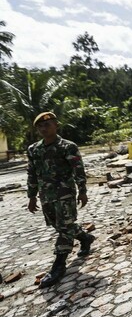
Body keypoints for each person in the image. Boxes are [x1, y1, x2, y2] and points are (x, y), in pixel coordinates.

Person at [27, 112, 95, 288]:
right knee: (62, 226)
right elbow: (32, 173)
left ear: (56, 125)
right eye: (40, 126)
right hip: (46, 196)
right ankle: (85, 238)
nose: (43, 128)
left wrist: (82, 191)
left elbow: (78, 169)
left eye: (47, 124)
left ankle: (58, 266)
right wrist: (31, 196)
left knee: (64, 228)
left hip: (65, 194)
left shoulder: (67, 146)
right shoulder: (34, 149)